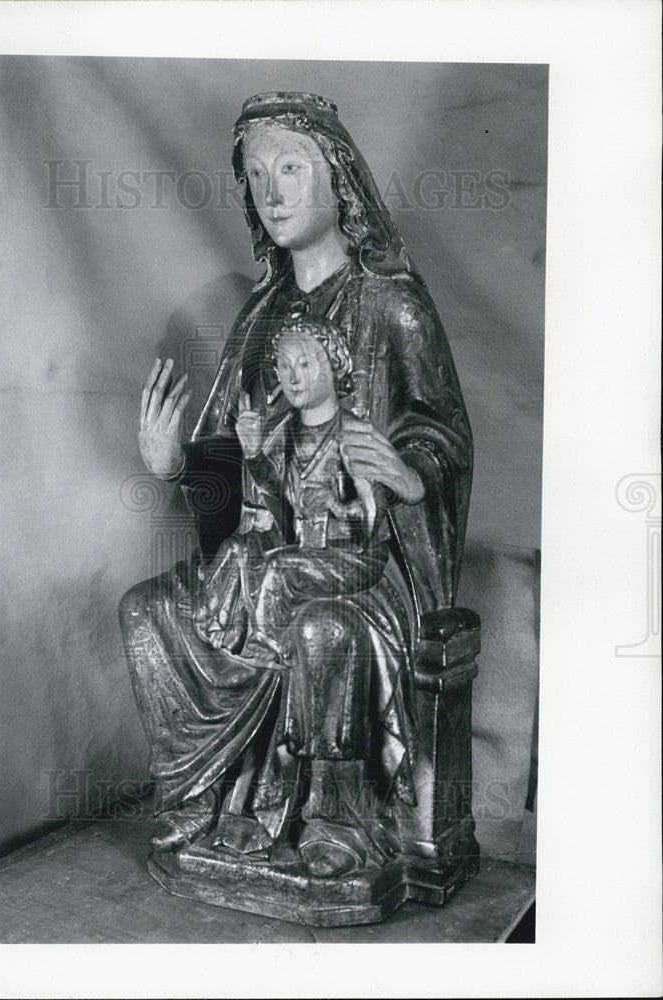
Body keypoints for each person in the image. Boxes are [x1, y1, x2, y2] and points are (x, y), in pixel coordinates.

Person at [121, 92, 473, 877]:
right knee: (148, 613)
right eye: (255, 175)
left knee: (321, 631)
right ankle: (207, 802)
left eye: (290, 168)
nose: (270, 192)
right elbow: (238, 467)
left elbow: (443, 437)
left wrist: (411, 475)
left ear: (339, 179)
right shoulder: (259, 316)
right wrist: (175, 463)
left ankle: (337, 819)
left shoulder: (395, 306)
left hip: (365, 563)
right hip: (268, 549)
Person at [192, 309, 424, 669]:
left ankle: (272, 649)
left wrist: (334, 503)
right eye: (284, 367)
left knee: (279, 568)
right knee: (237, 549)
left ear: (334, 364)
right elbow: (280, 504)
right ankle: (219, 632)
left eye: (304, 365)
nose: (293, 378)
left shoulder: (354, 435)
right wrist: (254, 455)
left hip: (351, 556)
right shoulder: (285, 432)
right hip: (304, 546)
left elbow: (370, 522)